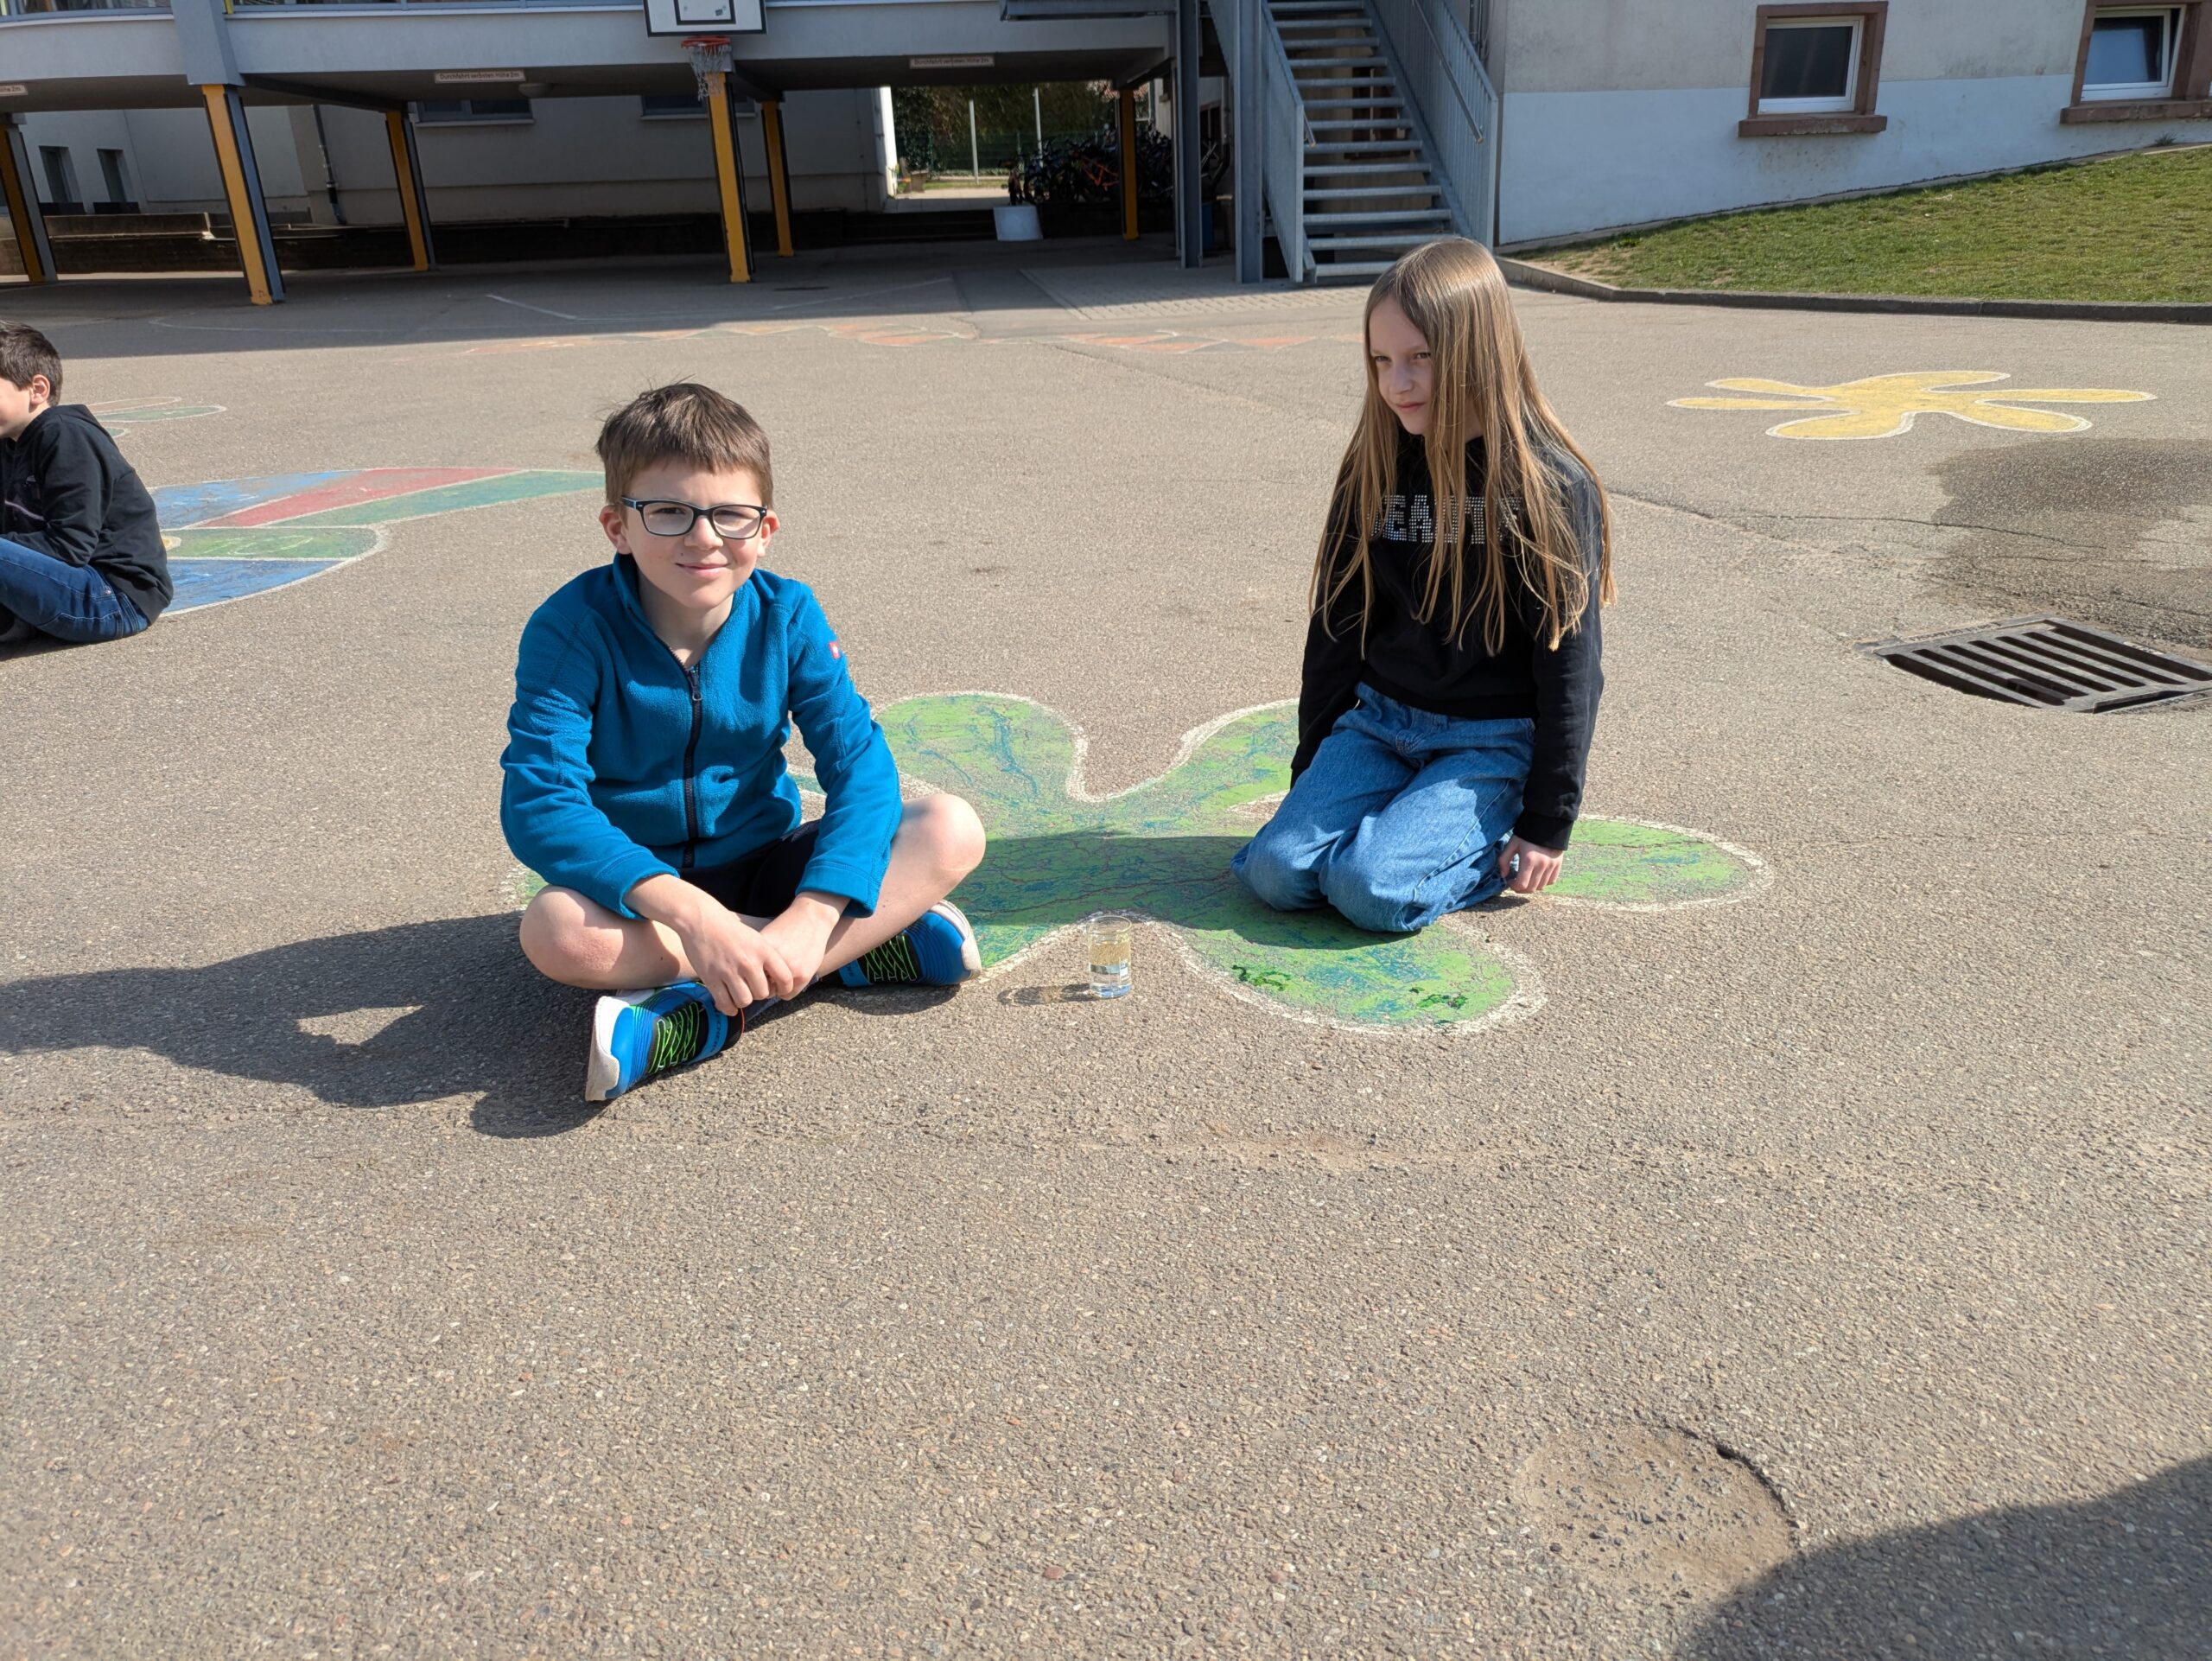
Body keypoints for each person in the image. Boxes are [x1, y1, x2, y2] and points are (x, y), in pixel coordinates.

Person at [501, 383, 986, 1102]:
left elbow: (860, 766)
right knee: (557, 931)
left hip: (767, 867)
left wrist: (812, 914)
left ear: (765, 530)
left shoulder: (787, 614)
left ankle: (709, 1009)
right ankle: (850, 954)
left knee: (951, 827)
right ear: (617, 527)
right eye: (668, 512)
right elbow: (540, 802)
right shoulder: (572, 628)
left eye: (730, 514)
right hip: (647, 899)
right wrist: (696, 918)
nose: (703, 538)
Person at [1233, 238, 1614, 932]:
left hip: (1489, 741)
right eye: (1381, 361)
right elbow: (1337, 629)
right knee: (1276, 871)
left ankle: (1471, 838)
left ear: (1477, 351)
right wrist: (1311, 775)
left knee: (1369, 889)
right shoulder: (1374, 467)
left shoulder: (1550, 486)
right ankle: (1406, 819)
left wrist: (1546, 823)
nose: (1396, 383)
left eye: (1420, 358)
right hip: (1380, 723)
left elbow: (1571, 666)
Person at [0, 321, 172, 648]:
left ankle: (18, 619)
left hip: (113, 597)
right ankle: (17, 620)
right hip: (66, 584)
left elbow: (69, 546)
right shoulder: (9, 444)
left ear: (37, 389)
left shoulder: (66, 435)